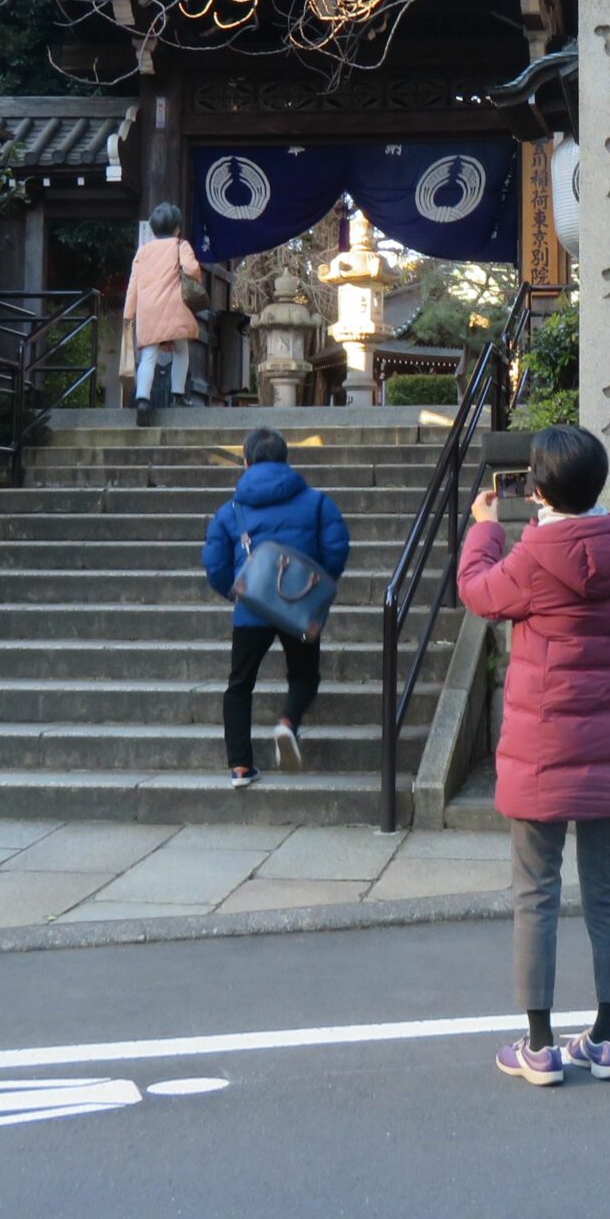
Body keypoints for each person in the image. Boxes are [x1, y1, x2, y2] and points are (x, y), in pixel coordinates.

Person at [456, 425, 610, 1087]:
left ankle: (538, 1049)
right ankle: (607, 1040)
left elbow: (480, 593)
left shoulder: (536, 554)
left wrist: (485, 527)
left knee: (535, 894)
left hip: (544, 751)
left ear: (538, 489)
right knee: (607, 894)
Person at [202, 428, 351, 786]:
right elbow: (337, 548)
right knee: (304, 675)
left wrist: (235, 591)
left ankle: (240, 767)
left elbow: (214, 563)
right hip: (300, 605)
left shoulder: (231, 510)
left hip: (251, 607)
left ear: (247, 461)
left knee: (239, 685)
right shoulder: (317, 502)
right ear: (286, 460)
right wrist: (313, 583)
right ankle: (287, 723)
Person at [121, 203, 203, 412]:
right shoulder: (179, 245)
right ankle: (178, 395)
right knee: (181, 350)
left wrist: (129, 313)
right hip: (174, 307)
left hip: (148, 310)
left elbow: (133, 283)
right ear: (176, 228)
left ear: (153, 229)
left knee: (149, 355)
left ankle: (142, 400)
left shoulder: (143, 251)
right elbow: (192, 269)